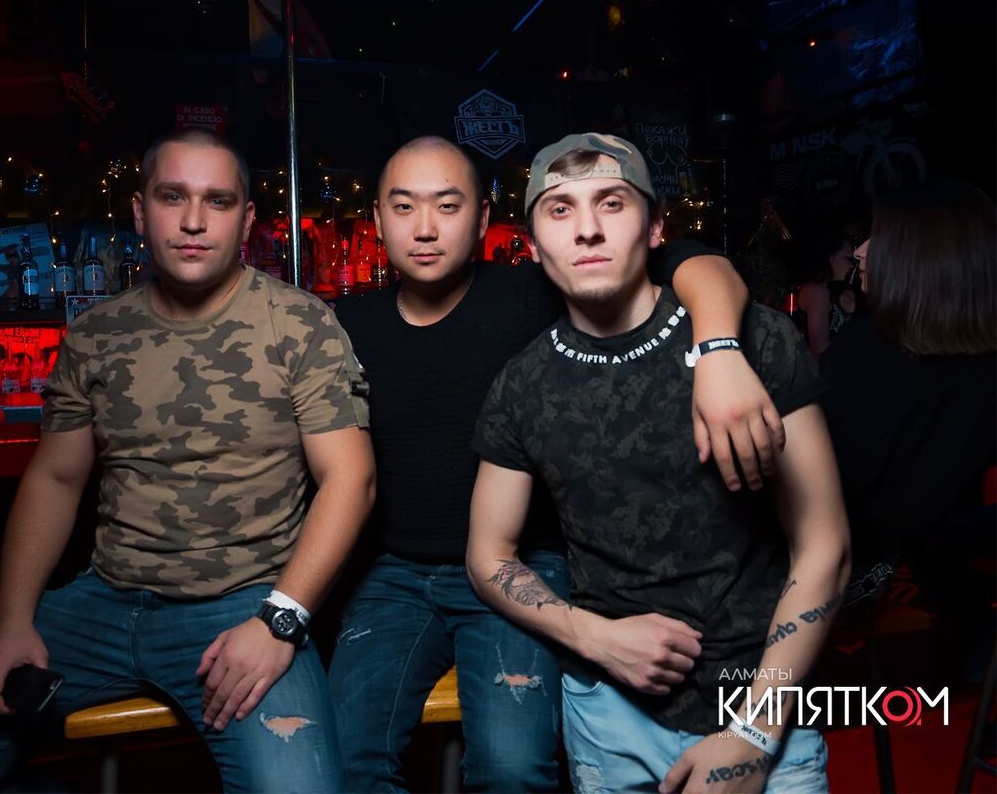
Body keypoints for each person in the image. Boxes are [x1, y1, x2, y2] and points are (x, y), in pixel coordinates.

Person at [0, 129, 375, 793]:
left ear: (247, 220)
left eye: (218, 201)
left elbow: (351, 479)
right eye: (173, 197)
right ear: (140, 212)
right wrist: (13, 619)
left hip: (242, 606)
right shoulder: (95, 333)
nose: (194, 221)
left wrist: (279, 622)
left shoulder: (299, 323)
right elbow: (56, 478)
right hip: (99, 605)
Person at [329, 135, 789, 792]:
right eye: (404, 207)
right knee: (346, 757)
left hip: (521, 561)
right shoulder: (346, 324)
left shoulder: (536, 288)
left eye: (448, 206)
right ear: (376, 220)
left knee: (513, 767)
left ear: (484, 220)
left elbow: (694, 260)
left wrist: (717, 347)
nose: (425, 228)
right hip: (395, 573)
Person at [467, 132, 851, 793]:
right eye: (560, 209)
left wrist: (756, 733)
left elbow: (825, 546)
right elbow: (487, 556)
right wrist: (590, 636)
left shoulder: (752, 340)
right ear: (531, 243)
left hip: (762, 699)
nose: (587, 229)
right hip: (610, 717)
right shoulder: (521, 386)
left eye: (612, 203)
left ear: (654, 227)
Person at [821, 180, 996, 602]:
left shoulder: (865, 350)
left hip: (852, 592)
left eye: (879, 238)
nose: (861, 251)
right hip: (932, 593)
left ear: (927, 257)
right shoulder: (983, 370)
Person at [795, 230, 860, 357]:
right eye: (847, 259)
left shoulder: (826, 290)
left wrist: (848, 314)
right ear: (830, 257)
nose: (851, 265)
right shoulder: (818, 292)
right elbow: (820, 349)